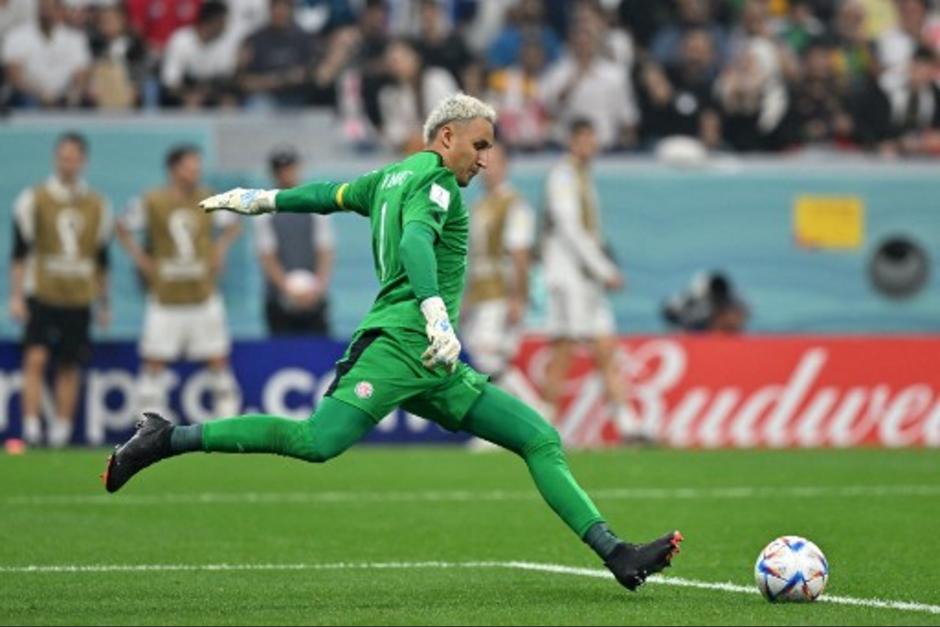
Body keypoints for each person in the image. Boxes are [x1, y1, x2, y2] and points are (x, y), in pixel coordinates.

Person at [102, 93, 681, 592]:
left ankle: (616, 553)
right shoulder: (437, 187)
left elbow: (328, 193)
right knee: (315, 441)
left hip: (433, 361)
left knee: (538, 437)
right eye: (479, 146)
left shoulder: (389, 177)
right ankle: (167, 437)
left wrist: (261, 199)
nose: (486, 159)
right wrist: (434, 313)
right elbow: (415, 244)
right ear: (447, 137)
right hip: (407, 344)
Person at [540, 118, 652, 443]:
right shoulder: (562, 176)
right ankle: (541, 424)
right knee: (563, 350)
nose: (591, 145)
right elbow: (570, 228)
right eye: (586, 138)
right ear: (573, 141)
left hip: (588, 281)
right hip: (569, 277)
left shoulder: (583, 177)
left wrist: (599, 272)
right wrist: (605, 268)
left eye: (594, 138)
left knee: (606, 348)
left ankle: (628, 425)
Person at [116, 145, 242, 420]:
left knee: (217, 360)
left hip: (203, 293)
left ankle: (226, 420)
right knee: (154, 363)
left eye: (197, 165)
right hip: (165, 295)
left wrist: (219, 251)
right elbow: (122, 225)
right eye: (190, 166)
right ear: (174, 169)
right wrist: (142, 260)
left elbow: (234, 223)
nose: (196, 171)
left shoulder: (208, 197)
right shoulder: (152, 200)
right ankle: (151, 425)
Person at [8, 132, 112, 446]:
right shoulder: (33, 199)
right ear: (56, 158)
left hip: (79, 296)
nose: (68, 162)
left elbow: (101, 259)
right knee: (35, 358)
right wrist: (15, 296)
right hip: (42, 292)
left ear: (83, 161)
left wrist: (104, 302)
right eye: (63, 156)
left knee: (69, 364)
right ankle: (30, 428)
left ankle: (61, 432)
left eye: (73, 157)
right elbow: (20, 252)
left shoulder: (97, 204)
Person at [461, 143, 533, 386]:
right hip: (479, 293)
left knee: (487, 362)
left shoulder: (514, 205)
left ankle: (538, 413)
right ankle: (520, 419)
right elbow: (471, 259)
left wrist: (518, 297)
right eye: (483, 163)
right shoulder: (478, 207)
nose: (487, 169)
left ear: (506, 167)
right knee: (486, 365)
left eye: (494, 163)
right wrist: (465, 299)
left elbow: (520, 255)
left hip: (500, 292)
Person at [254, 147, 334, 336]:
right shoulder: (264, 209)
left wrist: (318, 288)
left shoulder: (315, 203)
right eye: (281, 170)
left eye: (290, 168)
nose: (286, 174)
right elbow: (267, 255)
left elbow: (325, 250)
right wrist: (288, 289)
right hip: (278, 298)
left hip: (313, 295)